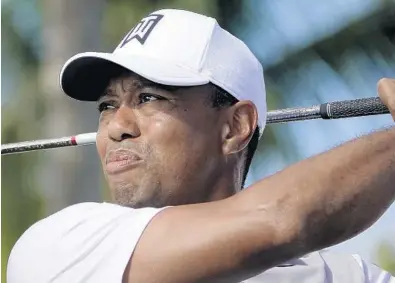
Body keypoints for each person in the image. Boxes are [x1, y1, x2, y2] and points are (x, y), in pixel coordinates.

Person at [6, 8, 395, 283]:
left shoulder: (348, 277)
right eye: (108, 106)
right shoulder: (61, 246)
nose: (116, 127)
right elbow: (281, 220)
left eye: (148, 98)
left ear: (235, 127)